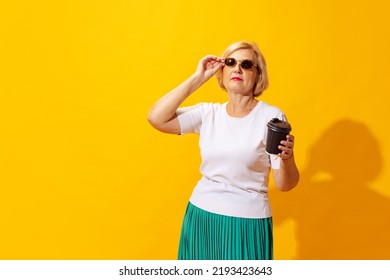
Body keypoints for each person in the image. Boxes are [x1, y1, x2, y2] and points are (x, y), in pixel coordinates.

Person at [147, 41, 299, 260]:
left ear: (258, 75)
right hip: (201, 216)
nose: (237, 68)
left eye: (246, 64)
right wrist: (198, 78)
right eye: (230, 62)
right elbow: (156, 117)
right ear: (222, 70)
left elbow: (285, 184)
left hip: (246, 222)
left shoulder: (271, 117)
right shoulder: (208, 113)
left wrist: (287, 157)